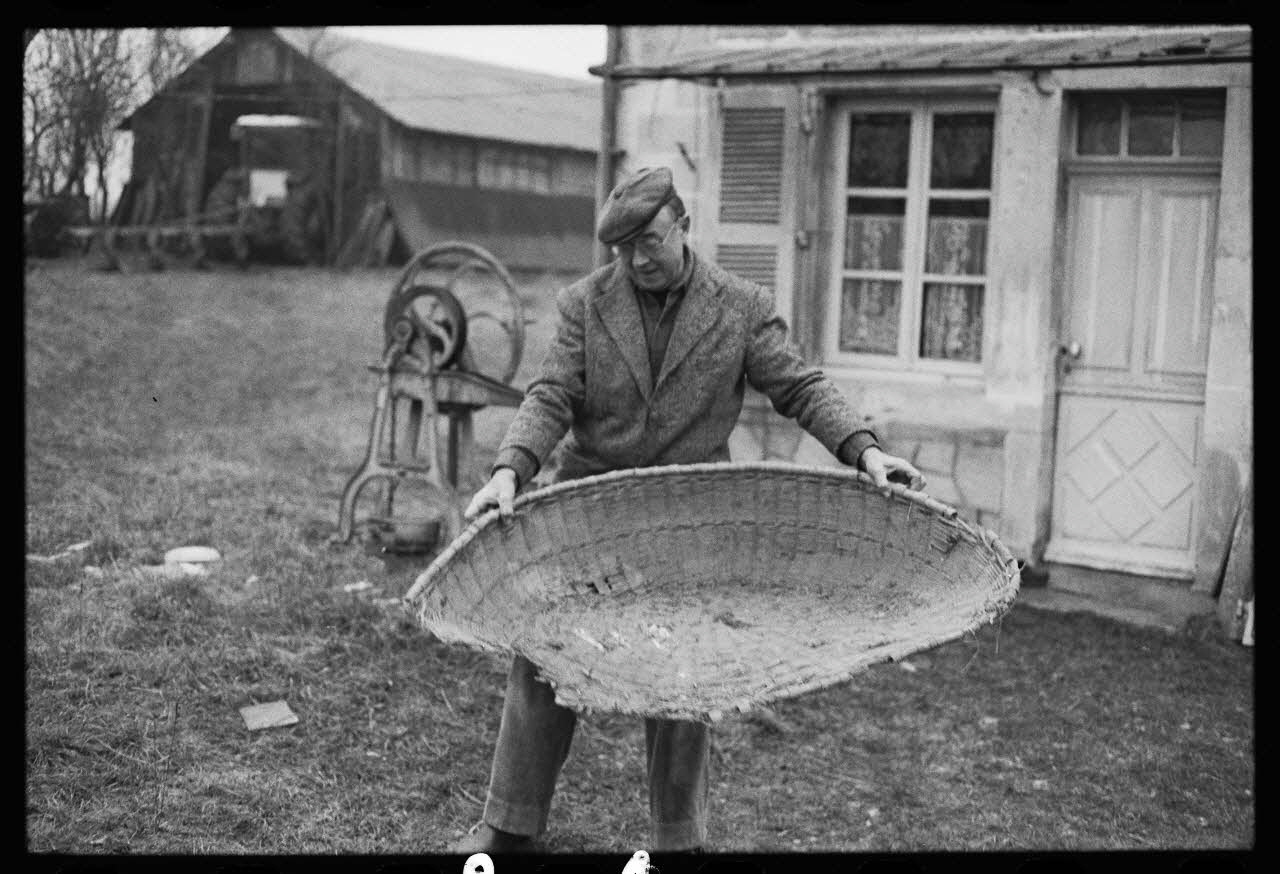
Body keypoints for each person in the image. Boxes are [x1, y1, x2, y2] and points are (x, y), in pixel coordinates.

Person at [454, 166, 924, 854]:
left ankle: (676, 838)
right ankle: (510, 826)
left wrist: (866, 453)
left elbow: (800, 386)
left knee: (684, 673)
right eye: (623, 249)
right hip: (590, 514)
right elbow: (550, 394)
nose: (638, 259)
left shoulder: (739, 306)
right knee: (543, 651)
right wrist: (508, 471)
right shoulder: (584, 305)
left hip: (689, 525)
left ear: (682, 223)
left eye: (649, 240)